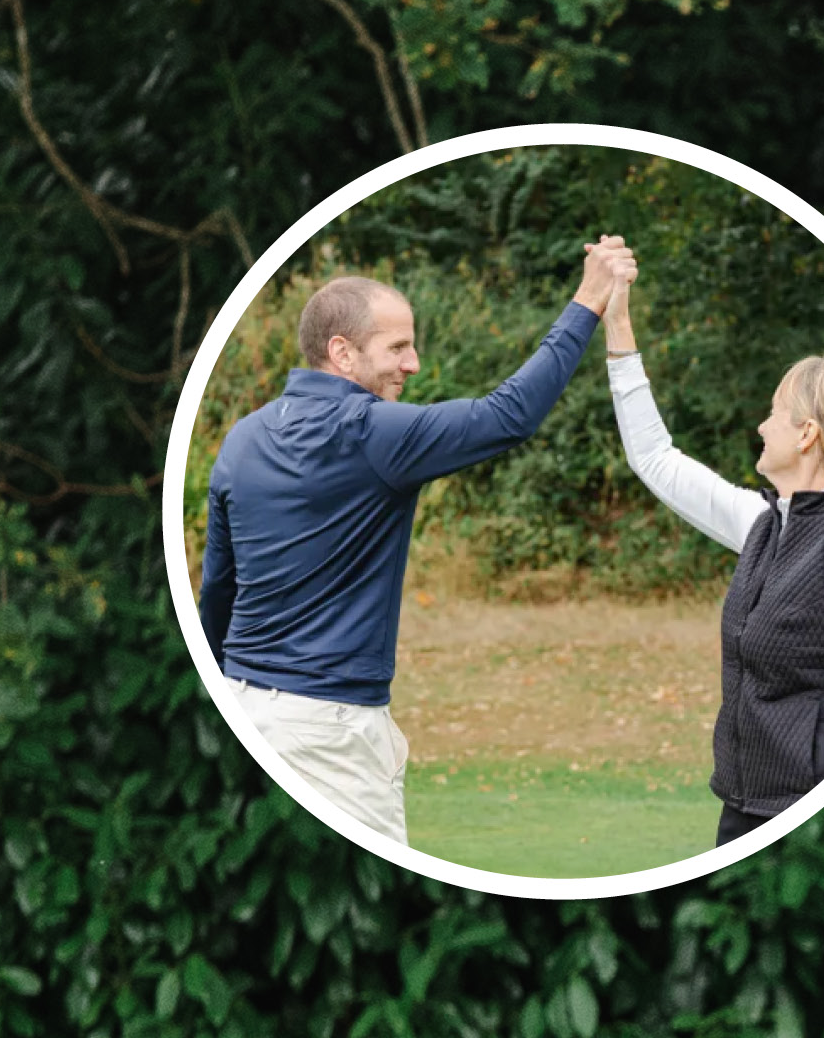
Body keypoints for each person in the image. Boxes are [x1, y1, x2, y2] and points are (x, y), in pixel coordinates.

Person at [198, 239, 631, 841]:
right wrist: (587, 300)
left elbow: (219, 589)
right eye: (398, 347)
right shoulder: (369, 432)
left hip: (247, 709)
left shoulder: (243, 437)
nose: (414, 364)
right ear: (342, 353)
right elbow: (508, 417)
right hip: (332, 730)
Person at [599, 270, 824, 848]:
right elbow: (655, 459)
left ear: (807, 435)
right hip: (743, 811)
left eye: (774, 412)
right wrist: (618, 322)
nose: (761, 426)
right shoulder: (764, 523)